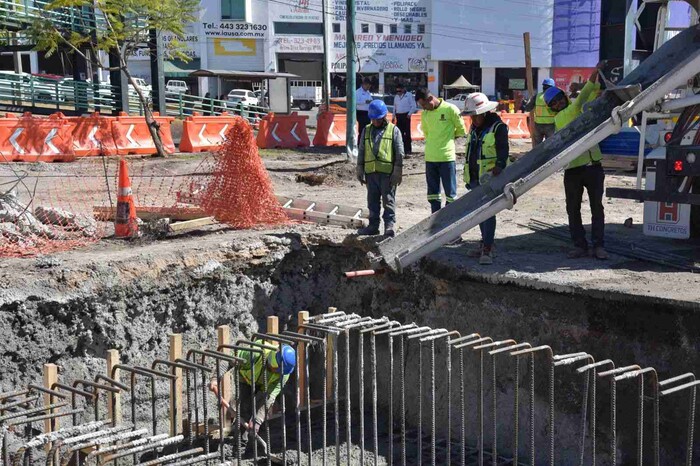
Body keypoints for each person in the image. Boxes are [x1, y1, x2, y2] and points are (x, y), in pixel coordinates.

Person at [544, 63, 607, 260]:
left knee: (587, 208)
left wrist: (596, 80)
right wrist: (595, 73)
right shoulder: (568, 113)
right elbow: (585, 95)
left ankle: (591, 246)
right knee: (581, 209)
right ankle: (589, 246)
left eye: (558, 100)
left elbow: (590, 92)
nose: (557, 104)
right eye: (553, 104)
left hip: (591, 165)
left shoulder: (575, 109)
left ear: (563, 98)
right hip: (575, 168)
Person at [209, 340, 295, 452]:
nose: (276, 372)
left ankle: (248, 433)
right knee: (245, 408)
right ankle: (240, 445)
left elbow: (269, 398)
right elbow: (229, 361)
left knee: (259, 412)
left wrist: (257, 421)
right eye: (274, 369)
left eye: (278, 371)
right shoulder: (255, 353)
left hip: (265, 386)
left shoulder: (284, 374)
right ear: (271, 361)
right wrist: (215, 379)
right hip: (245, 378)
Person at [462, 93, 509, 265]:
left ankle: (488, 248)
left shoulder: (498, 128)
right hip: (475, 178)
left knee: (488, 213)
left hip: (490, 180)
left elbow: (503, 151)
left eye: (474, 115)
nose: (472, 119)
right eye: (471, 116)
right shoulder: (474, 128)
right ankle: (484, 243)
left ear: (484, 113)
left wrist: (499, 167)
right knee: (479, 214)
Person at [356, 99, 404, 237]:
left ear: (384, 116)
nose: (375, 122)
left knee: (388, 201)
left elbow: (399, 152)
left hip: (387, 174)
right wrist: (360, 168)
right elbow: (362, 150)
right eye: (373, 119)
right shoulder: (366, 130)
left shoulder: (393, 130)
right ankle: (373, 226)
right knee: (372, 201)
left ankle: (389, 226)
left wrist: (397, 171)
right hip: (371, 173)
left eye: (378, 119)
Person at [414, 87, 466, 213]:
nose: (424, 108)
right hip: (430, 158)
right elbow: (427, 133)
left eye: (424, 105)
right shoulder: (425, 114)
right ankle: (435, 221)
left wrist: (448, 138)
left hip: (446, 158)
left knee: (450, 194)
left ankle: (450, 222)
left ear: (431, 98)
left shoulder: (450, 109)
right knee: (433, 195)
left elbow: (461, 130)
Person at [524, 78, 557, 146]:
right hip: (550, 124)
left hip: (538, 125)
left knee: (537, 146)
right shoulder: (555, 97)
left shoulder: (537, 97)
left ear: (543, 87)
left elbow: (527, 108)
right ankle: (548, 156)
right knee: (550, 145)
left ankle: (536, 156)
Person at [392, 83, 417, 155]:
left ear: (403, 89)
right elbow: (395, 107)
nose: (398, 93)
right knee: (400, 133)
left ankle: (408, 149)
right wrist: (393, 117)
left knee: (407, 133)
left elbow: (413, 106)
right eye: (397, 91)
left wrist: (409, 114)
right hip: (398, 116)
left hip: (406, 115)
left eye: (399, 91)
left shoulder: (409, 95)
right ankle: (401, 149)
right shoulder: (396, 97)